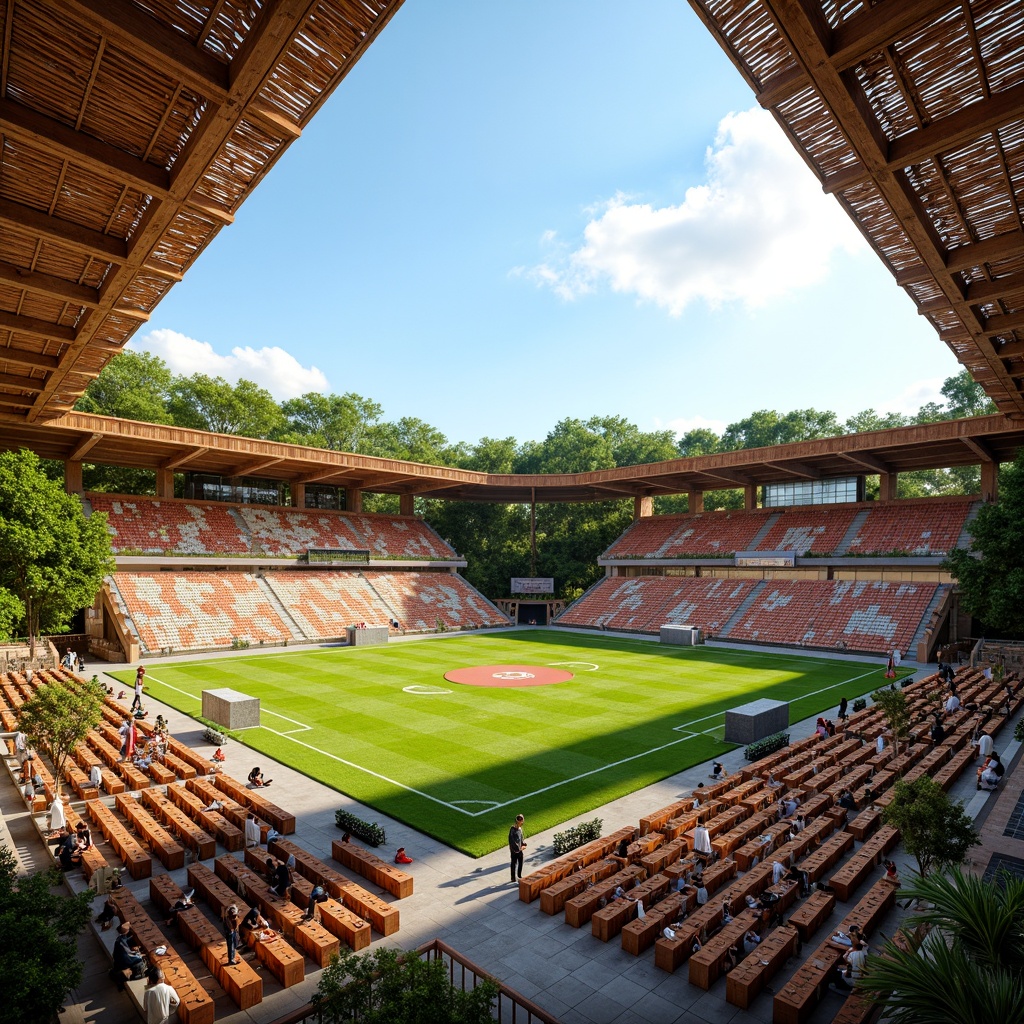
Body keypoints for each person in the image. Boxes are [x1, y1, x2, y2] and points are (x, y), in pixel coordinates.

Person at [509, 813, 527, 884]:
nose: (521, 822)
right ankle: (513, 878)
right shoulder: (512, 829)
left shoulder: (520, 829)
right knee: (514, 863)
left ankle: (519, 875)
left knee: (521, 862)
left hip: (519, 849)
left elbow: (521, 838)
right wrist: (518, 848)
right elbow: (511, 840)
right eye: (520, 820)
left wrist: (523, 843)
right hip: (514, 850)